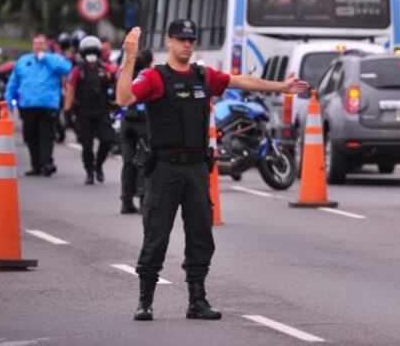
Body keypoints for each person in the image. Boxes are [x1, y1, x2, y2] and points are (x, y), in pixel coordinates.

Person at [116, 19, 309, 322]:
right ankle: (145, 301)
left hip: (195, 169)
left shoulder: (203, 76)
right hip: (165, 168)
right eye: (181, 39)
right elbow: (124, 98)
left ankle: (197, 300)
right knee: (156, 236)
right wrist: (130, 57)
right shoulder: (155, 77)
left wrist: (282, 87)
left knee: (201, 237)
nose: (187, 44)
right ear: (169, 42)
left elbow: (241, 81)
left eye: (191, 39)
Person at [5, 34, 72, 176]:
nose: (38, 46)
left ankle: (47, 163)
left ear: (46, 45)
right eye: (36, 43)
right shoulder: (24, 61)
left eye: (41, 44)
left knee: (46, 135)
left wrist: (47, 57)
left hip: (48, 105)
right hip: (27, 105)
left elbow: (66, 68)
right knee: (30, 136)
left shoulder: (53, 59)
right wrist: (9, 99)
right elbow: (14, 81)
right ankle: (36, 165)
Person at [64, 36, 115, 185]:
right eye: (88, 52)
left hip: (102, 112)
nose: (91, 55)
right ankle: (89, 172)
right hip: (83, 113)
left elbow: (115, 83)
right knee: (87, 145)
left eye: (94, 52)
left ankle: (98, 166)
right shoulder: (77, 70)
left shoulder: (105, 69)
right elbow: (70, 90)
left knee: (107, 140)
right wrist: (67, 111)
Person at [119, 49, 153, 214]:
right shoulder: (148, 75)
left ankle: (126, 201)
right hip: (143, 123)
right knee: (143, 161)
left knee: (128, 163)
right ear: (150, 61)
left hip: (126, 122)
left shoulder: (125, 73)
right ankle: (142, 198)